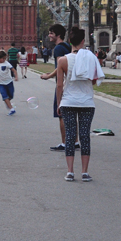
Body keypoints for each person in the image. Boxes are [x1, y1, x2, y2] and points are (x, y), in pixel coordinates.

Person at [55, 27, 101, 182]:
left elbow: (59, 85)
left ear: (69, 41)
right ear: (83, 41)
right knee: (84, 136)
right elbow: (94, 80)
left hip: (68, 101)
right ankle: (85, 172)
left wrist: (59, 102)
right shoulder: (91, 58)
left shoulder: (62, 60)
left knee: (70, 136)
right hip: (87, 102)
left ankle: (69, 172)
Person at [41, 24, 73, 152]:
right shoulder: (67, 46)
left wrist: (49, 76)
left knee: (62, 114)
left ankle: (64, 143)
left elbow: (61, 66)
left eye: (51, 33)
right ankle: (74, 142)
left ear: (58, 35)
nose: (49, 35)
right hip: (70, 83)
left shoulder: (59, 48)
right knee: (70, 115)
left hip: (63, 83)